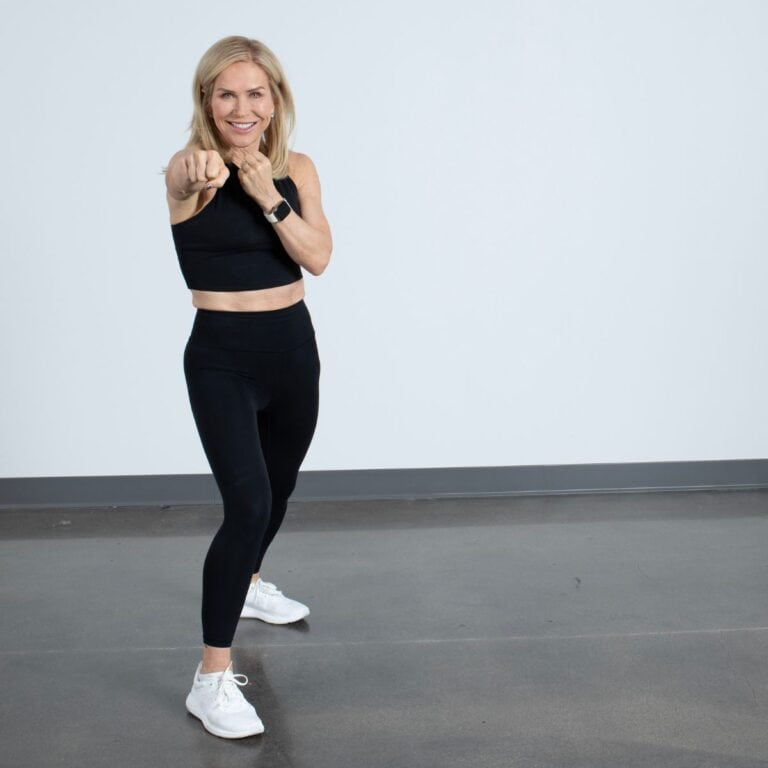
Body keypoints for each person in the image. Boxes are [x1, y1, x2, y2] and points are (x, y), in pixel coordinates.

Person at [163, 35, 332, 739]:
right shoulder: (188, 170)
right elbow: (187, 174)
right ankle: (209, 679)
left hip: (293, 352)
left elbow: (319, 257)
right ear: (207, 100)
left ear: (275, 100)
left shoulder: (297, 167)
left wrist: (270, 195)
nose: (241, 107)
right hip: (223, 360)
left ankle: (251, 586)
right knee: (249, 501)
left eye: (254, 93)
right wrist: (212, 171)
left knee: (281, 487)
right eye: (226, 93)